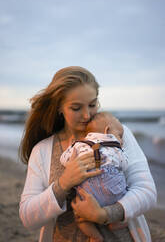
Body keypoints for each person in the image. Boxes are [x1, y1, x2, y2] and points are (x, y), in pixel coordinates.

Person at [19, 66, 157, 242]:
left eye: (92, 104)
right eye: (76, 108)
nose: (87, 115)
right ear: (59, 108)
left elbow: (147, 190)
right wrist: (63, 183)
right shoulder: (43, 150)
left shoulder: (118, 135)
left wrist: (105, 214)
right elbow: (27, 218)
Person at [60, 111, 129, 241]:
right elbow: (124, 165)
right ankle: (116, 223)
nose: (121, 140)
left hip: (90, 195)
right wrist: (120, 151)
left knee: (80, 218)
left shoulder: (79, 144)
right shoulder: (115, 146)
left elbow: (63, 160)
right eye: (120, 135)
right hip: (114, 193)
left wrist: (73, 159)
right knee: (125, 192)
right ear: (107, 130)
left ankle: (95, 237)